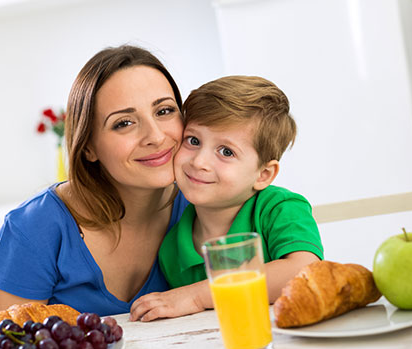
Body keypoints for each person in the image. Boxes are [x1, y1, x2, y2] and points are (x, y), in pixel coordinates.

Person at [0, 45, 189, 317]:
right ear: (88, 147)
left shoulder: (205, 200)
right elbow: (8, 346)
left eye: (164, 111)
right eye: (124, 123)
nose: (155, 136)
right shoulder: (35, 228)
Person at [130, 76, 323, 322]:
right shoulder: (172, 248)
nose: (199, 161)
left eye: (226, 152)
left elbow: (304, 273)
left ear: (263, 174)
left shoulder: (279, 209)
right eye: (193, 141)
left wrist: (198, 296)